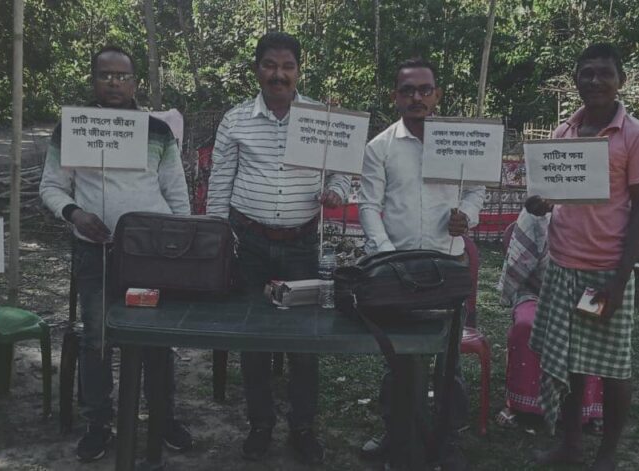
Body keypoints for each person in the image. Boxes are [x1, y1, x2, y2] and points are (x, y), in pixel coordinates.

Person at [39, 46, 193, 462]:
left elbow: (176, 191)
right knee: (97, 340)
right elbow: (50, 186)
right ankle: (98, 422)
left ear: (135, 83)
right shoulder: (74, 128)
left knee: (157, 340)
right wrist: (75, 214)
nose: (113, 82)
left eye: (121, 76)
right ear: (93, 80)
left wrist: (180, 241)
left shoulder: (157, 130)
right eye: (104, 75)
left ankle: (163, 418)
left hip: (153, 254)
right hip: (96, 252)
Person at [205, 31, 349, 465]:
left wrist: (337, 193)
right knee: (254, 339)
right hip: (248, 242)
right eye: (270, 65)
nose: (278, 74)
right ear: (257, 69)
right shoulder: (235, 120)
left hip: (303, 244)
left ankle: (303, 427)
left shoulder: (321, 119)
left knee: (305, 342)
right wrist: (217, 240)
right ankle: (260, 424)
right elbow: (220, 183)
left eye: (287, 66)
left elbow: (340, 176)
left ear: (299, 71)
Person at [525, 43, 639, 471]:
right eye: (586, 73)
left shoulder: (635, 136)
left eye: (604, 73)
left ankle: (607, 455)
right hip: (563, 266)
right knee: (572, 361)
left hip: (605, 273)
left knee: (614, 367)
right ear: (576, 80)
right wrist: (538, 204)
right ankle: (570, 445)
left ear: (621, 81)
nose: (595, 81)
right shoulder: (564, 133)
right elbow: (550, 197)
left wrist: (619, 279)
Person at [358, 57, 485, 470]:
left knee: (449, 360)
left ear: (437, 95)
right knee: (399, 358)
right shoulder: (379, 147)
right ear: (395, 96)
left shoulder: (460, 142)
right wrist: (385, 252)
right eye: (408, 90)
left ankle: (447, 438)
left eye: (424, 89)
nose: (416, 97)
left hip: (447, 266)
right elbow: (369, 205)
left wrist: (467, 215)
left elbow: (476, 189)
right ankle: (397, 432)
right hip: (396, 270)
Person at [496, 209, 604, 431]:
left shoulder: (602, 213)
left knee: (592, 324)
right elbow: (522, 257)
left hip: (590, 288)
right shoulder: (538, 211)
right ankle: (521, 403)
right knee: (527, 326)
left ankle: (588, 409)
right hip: (535, 292)